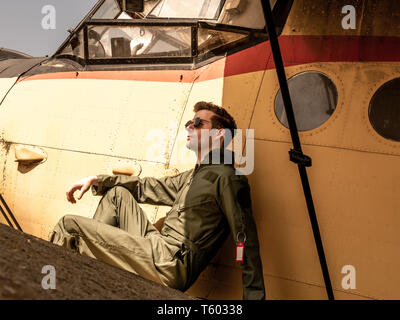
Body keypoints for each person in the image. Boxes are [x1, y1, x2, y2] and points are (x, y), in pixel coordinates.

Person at [49, 101, 265, 300]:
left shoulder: (228, 179)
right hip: (157, 247)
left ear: (219, 134)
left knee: (70, 226)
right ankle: (92, 275)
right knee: (117, 194)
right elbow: (144, 187)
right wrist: (98, 180)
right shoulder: (192, 177)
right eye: (190, 122)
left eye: (198, 123)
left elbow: (245, 241)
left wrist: (253, 298)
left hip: (170, 263)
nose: (190, 127)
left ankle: (47, 291)